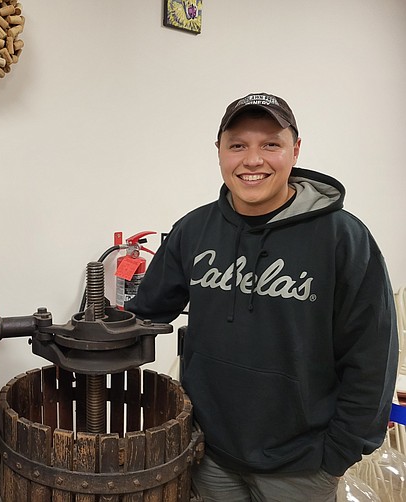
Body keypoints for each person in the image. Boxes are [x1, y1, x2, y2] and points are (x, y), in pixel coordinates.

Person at [126, 92, 398, 501]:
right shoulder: (194, 230)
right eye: (237, 145)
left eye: (270, 144)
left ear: (295, 150)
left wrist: (340, 452)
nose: (253, 160)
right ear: (219, 152)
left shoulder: (343, 238)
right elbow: (147, 312)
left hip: (303, 465)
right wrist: (92, 328)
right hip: (211, 455)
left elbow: (373, 354)